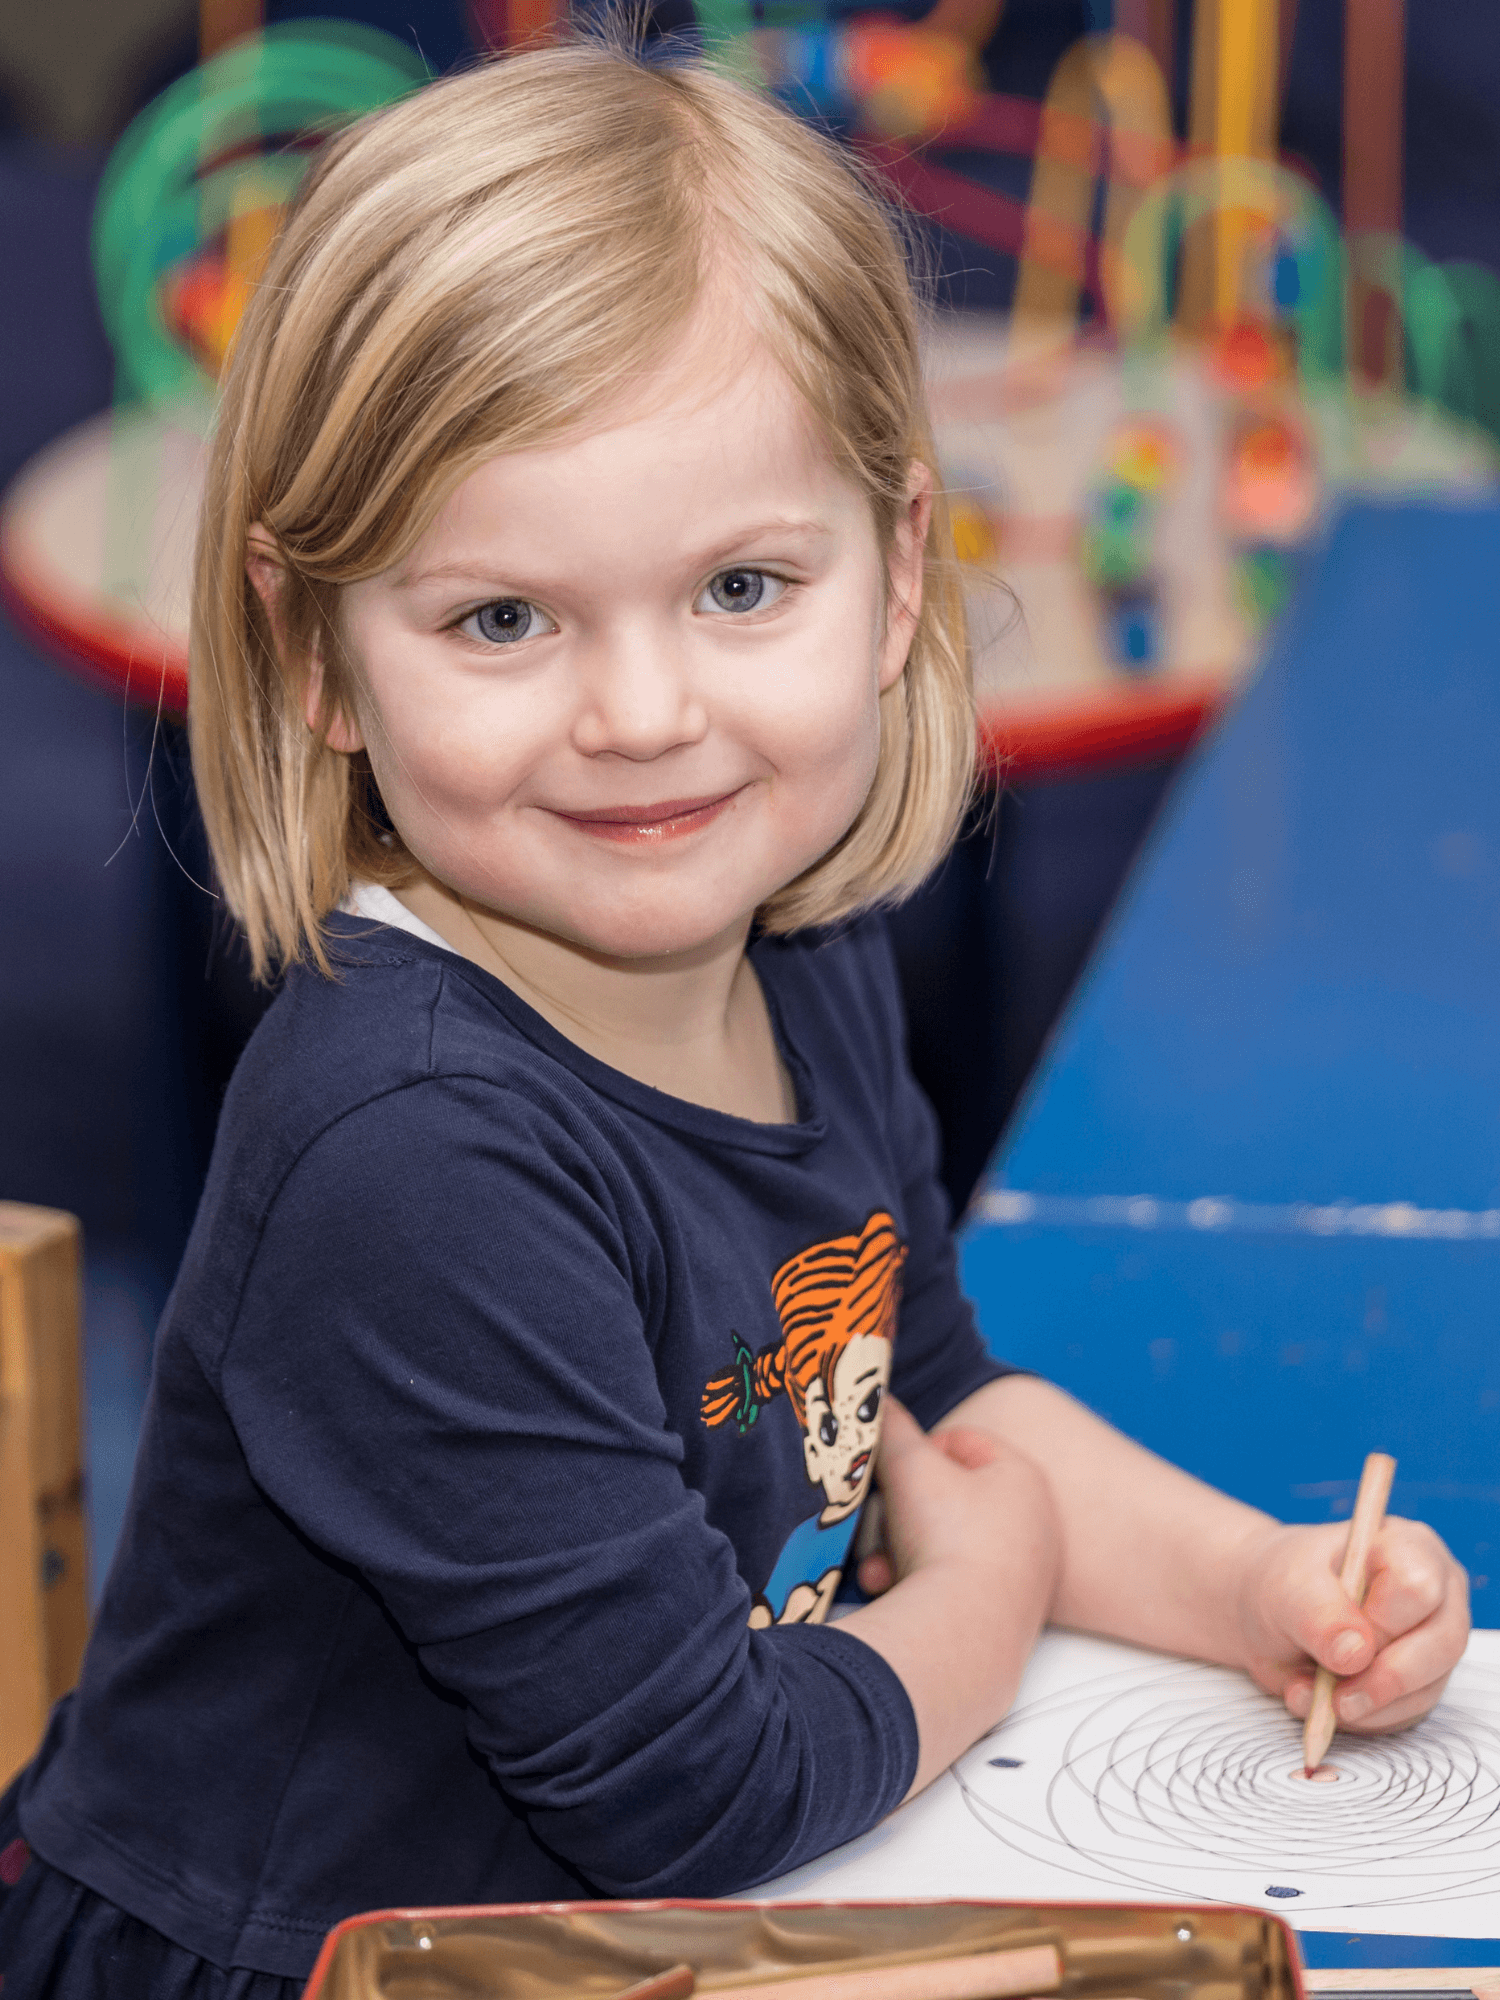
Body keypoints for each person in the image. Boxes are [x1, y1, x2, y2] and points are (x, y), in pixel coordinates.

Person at [0, 34, 1470, 2000]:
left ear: (893, 576)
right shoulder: (414, 1155)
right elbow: (701, 1786)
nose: (640, 714)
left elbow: (934, 1402)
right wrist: (992, 1589)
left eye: (742, 587)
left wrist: (1256, 1586)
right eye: (503, 619)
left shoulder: (797, 937)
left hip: (640, 1932)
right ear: (315, 650)